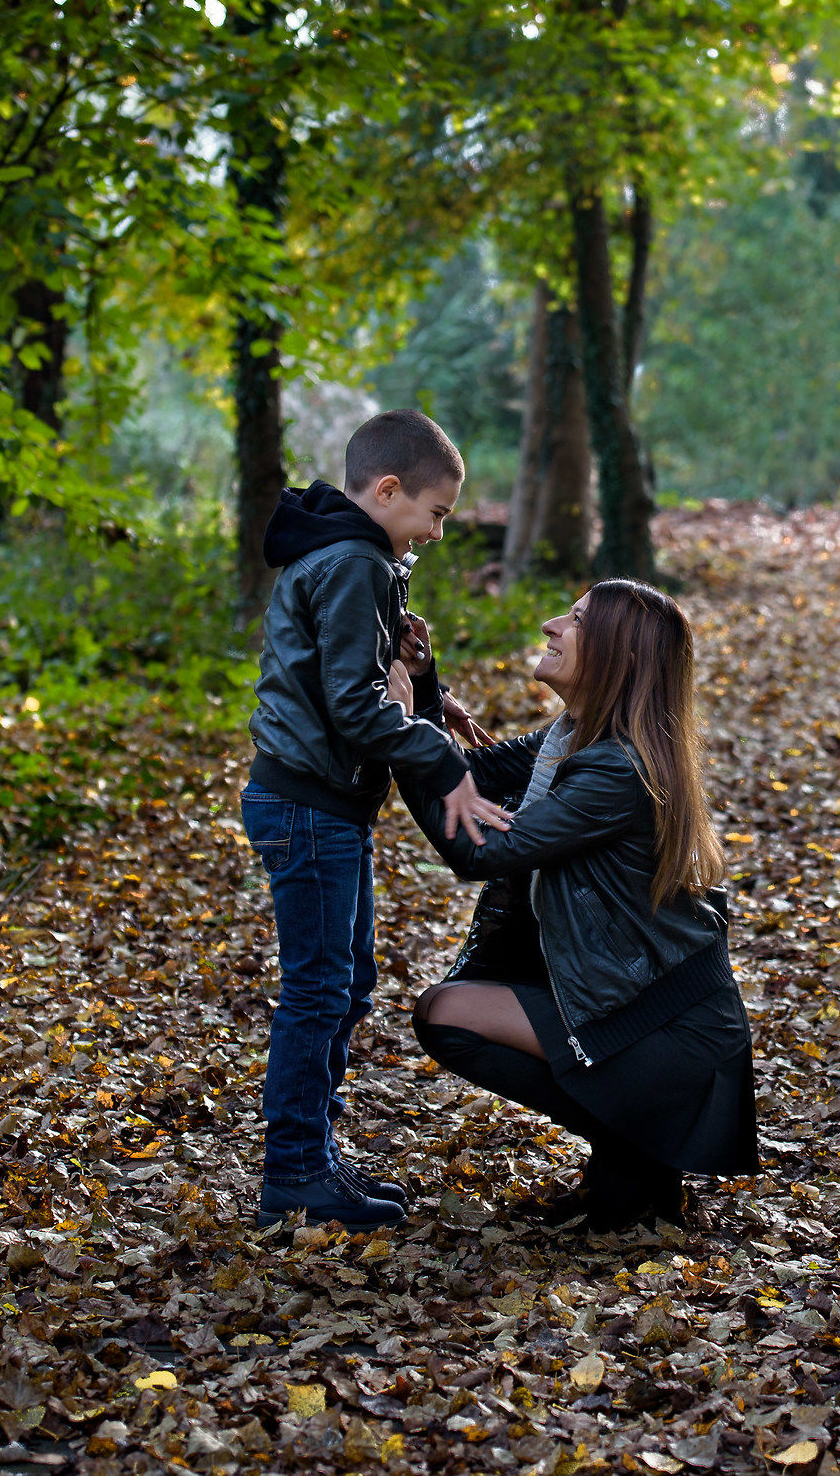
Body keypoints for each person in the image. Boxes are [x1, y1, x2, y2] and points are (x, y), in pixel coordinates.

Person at [403, 580, 758, 1230]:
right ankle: (632, 1159)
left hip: (667, 1028)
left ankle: (637, 1152)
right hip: (637, 1005)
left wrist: (398, 730)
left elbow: (476, 848)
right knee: (451, 1007)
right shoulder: (571, 741)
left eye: (574, 620)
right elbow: (467, 779)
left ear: (619, 657)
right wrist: (423, 691)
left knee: (448, 1013)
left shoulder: (618, 770)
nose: (549, 625)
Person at [241, 410, 511, 1231]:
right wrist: (441, 764)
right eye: (434, 513)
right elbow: (355, 708)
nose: (436, 531)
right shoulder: (353, 561)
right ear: (387, 489)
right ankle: (292, 1172)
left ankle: (314, 1154)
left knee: (345, 981)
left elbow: (363, 672)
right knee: (320, 988)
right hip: (307, 806)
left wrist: (432, 695)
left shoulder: (356, 556)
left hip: (325, 805)